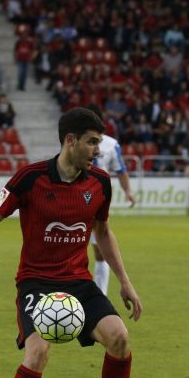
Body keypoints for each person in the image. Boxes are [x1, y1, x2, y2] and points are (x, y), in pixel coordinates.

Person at [0, 107, 143, 378]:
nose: (97, 150)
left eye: (99, 142)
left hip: (78, 281)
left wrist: (125, 282)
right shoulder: (30, 178)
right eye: (92, 142)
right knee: (37, 353)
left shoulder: (99, 182)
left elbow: (102, 231)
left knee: (120, 339)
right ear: (70, 140)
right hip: (36, 281)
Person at [84, 104, 136, 295]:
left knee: (100, 250)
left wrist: (128, 191)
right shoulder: (76, 142)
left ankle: (100, 295)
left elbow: (121, 171)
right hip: (75, 199)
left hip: (98, 201)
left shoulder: (112, 145)